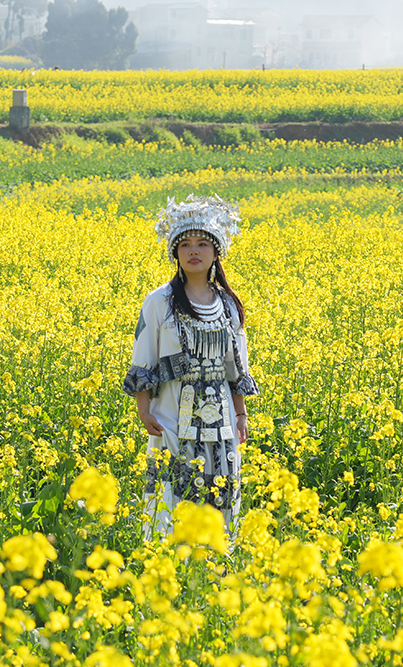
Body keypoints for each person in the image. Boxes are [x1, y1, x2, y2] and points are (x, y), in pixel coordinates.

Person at [122, 195, 259, 538]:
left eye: (202, 244)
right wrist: (143, 409)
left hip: (222, 418)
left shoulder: (227, 303)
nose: (193, 251)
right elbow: (144, 356)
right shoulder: (159, 301)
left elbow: (235, 366)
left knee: (221, 489)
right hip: (171, 416)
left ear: (216, 253)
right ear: (175, 253)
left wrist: (240, 414)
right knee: (172, 492)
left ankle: (216, 563)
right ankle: (168, 562)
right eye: (184, 244)